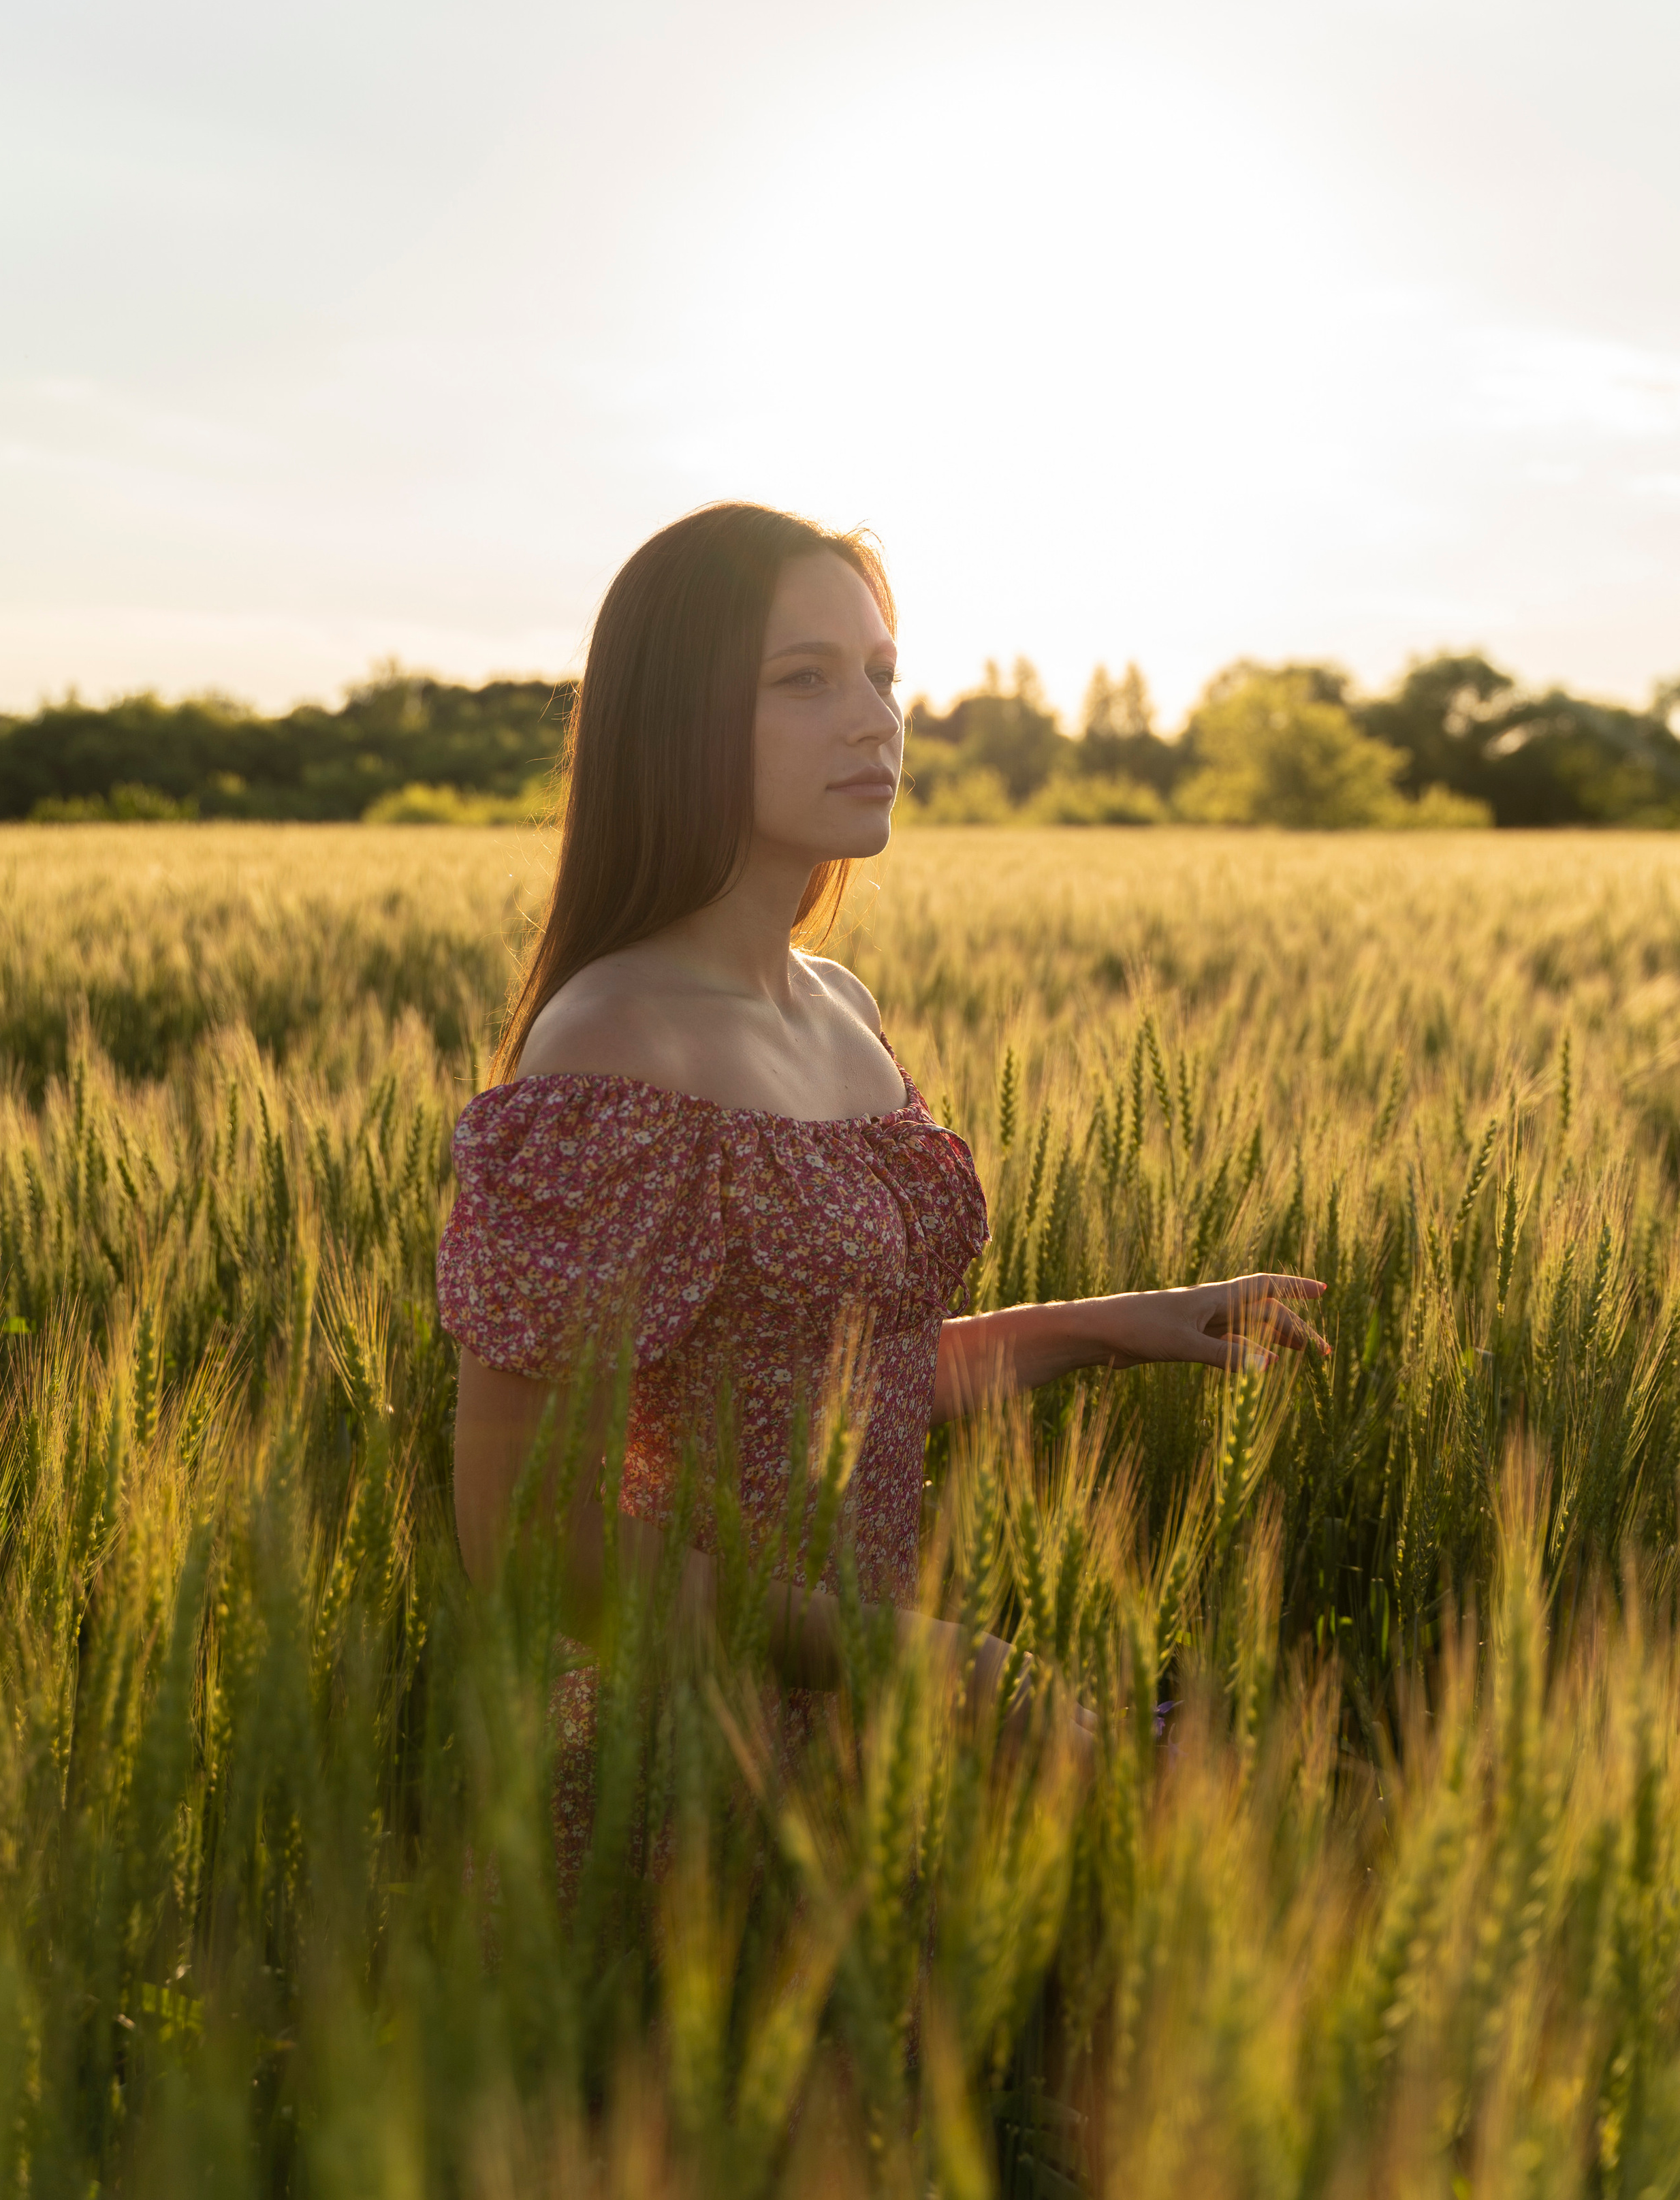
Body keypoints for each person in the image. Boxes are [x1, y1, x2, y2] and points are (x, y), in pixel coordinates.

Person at [437, 502, 1325, 1857]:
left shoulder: (836, 1005)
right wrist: (917, 1660)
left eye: (881, 674)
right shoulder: (616, 1045)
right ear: (674, 720)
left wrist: (1118, 1323)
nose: (874, 720)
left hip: (875, 1757)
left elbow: (837, 1388)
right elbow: (528, 1534)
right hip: (686, 1781)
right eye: (804, 680)